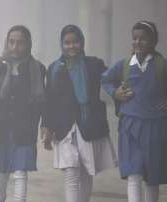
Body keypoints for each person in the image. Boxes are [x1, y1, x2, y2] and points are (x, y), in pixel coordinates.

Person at [42, 24, 117, 202]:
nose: (71, 46)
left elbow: (112, 81)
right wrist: (46, 126)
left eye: (75, 42)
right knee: (71, 173)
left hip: (88, 124)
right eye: (67, 43)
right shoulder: (54, 68)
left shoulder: (95, 65)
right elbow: (49, 100)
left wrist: (118, 92)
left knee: (86, 171)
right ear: (61, 44)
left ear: (82, 42)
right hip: (64, 128)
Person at [102, 21, 167, 202]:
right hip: (130, 127)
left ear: (153, 41)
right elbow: (106, 80)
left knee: (152, 177)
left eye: (143, 38)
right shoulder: (125, 64)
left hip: (156, 128)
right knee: (133, 174)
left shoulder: (164, 66)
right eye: (134, 38)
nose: (138, 42)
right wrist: (115, 92)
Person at [0, 25, 46, 202]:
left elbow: (42, 103)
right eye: (11, 42)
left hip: (24, 128)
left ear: (28, 44)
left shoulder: (37, 69)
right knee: (1, 172)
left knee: (20, 171)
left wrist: (44, 125)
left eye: (20, 43)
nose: (15, 47)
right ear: (6, 42)